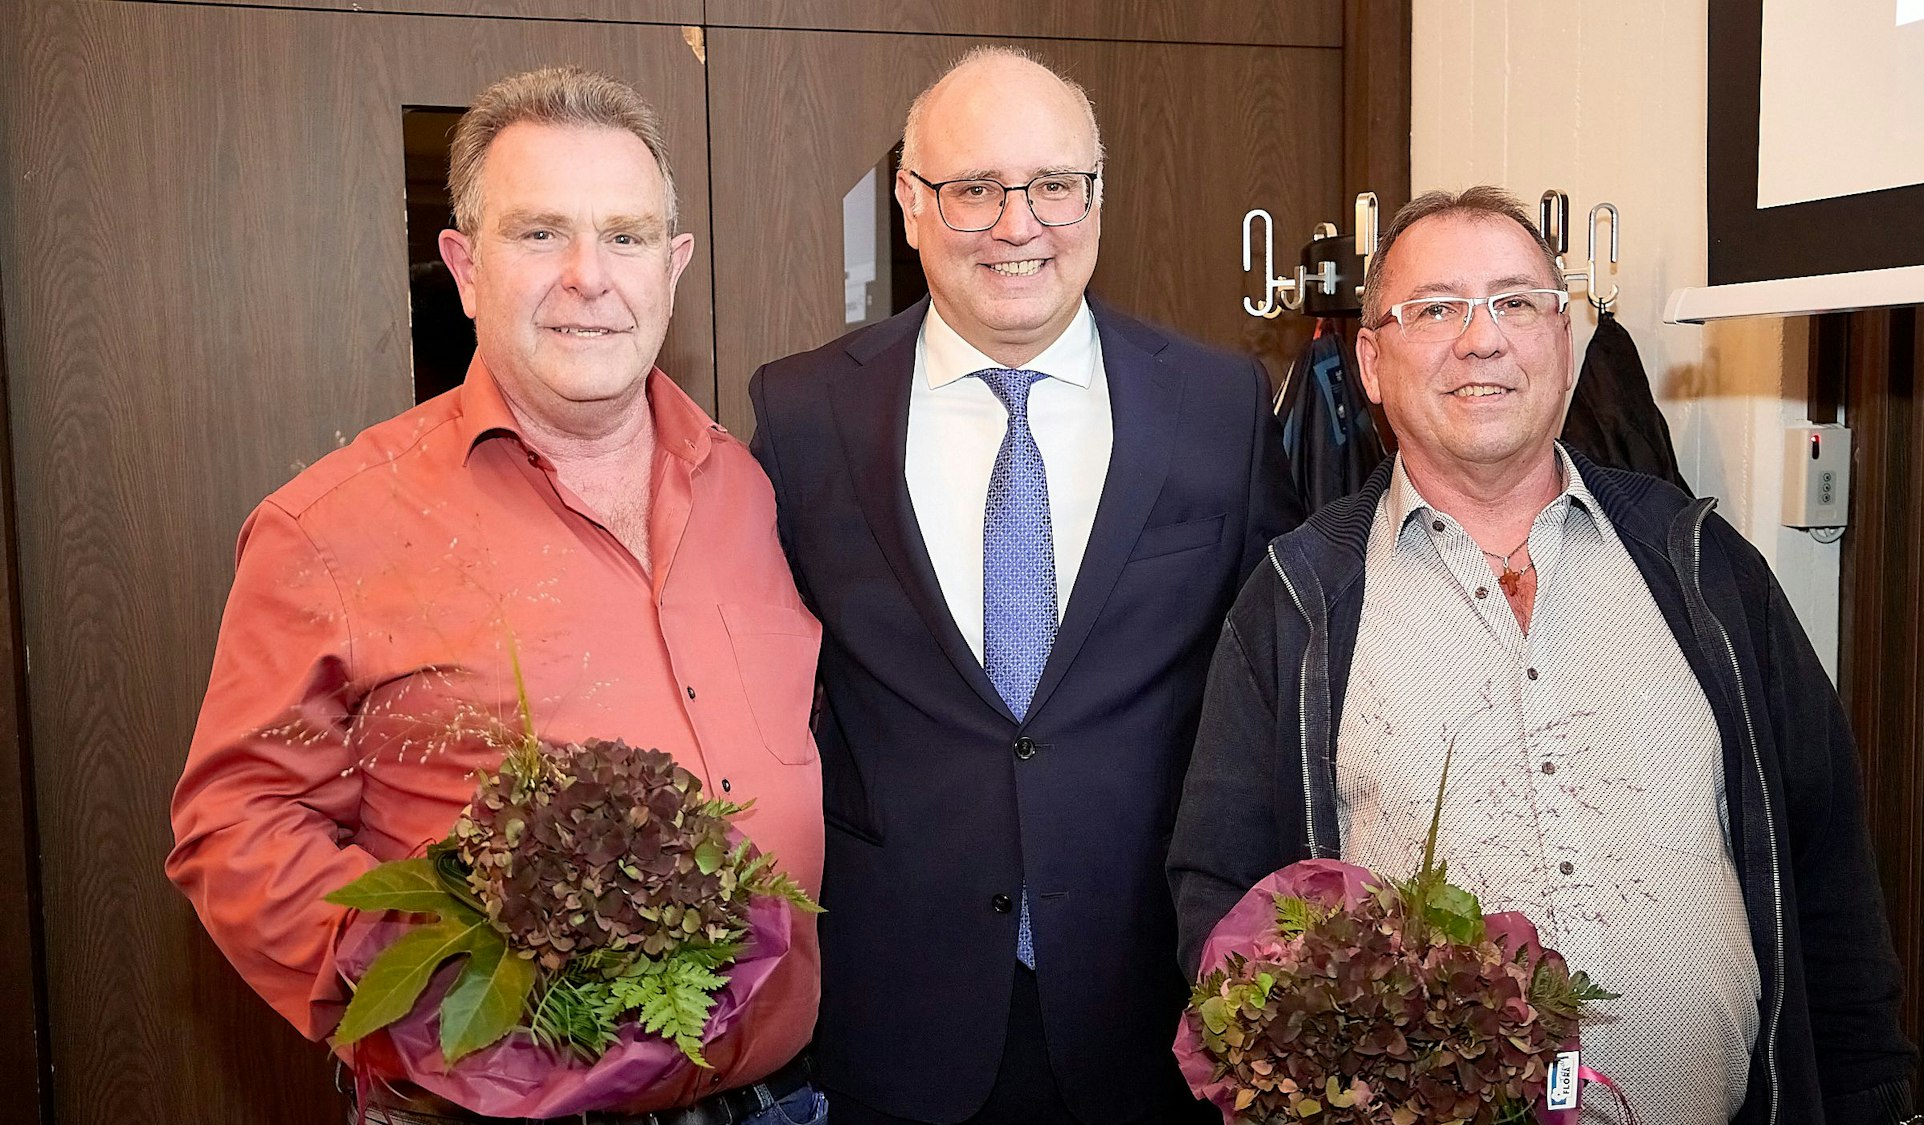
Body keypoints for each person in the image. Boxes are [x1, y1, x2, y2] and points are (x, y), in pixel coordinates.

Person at [1168, 187, 1920, 1125]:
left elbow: (1830, 873)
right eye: (1436, 308)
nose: (1482, 340)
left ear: (1564, 341)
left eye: (1517, 302)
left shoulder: (1706, 572)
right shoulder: (1297, 605)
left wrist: (1874, 1097)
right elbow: (1220, 899)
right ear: (1370, 359)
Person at [166, 67, 826, 1125]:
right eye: (539, 235)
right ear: (465, 266)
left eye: (625, 234)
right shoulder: (329, 528)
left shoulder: (745, 487)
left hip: (777, 1100)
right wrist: (425, 1009)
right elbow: (234, 824)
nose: (587, 276)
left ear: (674, 264)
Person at [748, 45, 1299, 1125]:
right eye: (973, 190)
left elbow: (1263, 700)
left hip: (1152, 1005)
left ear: (1096, 196)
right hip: (895, 1010)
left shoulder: (1217, 404)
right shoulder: (805, 412)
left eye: (1053, 185)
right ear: (911, 204)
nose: (1018, 224)